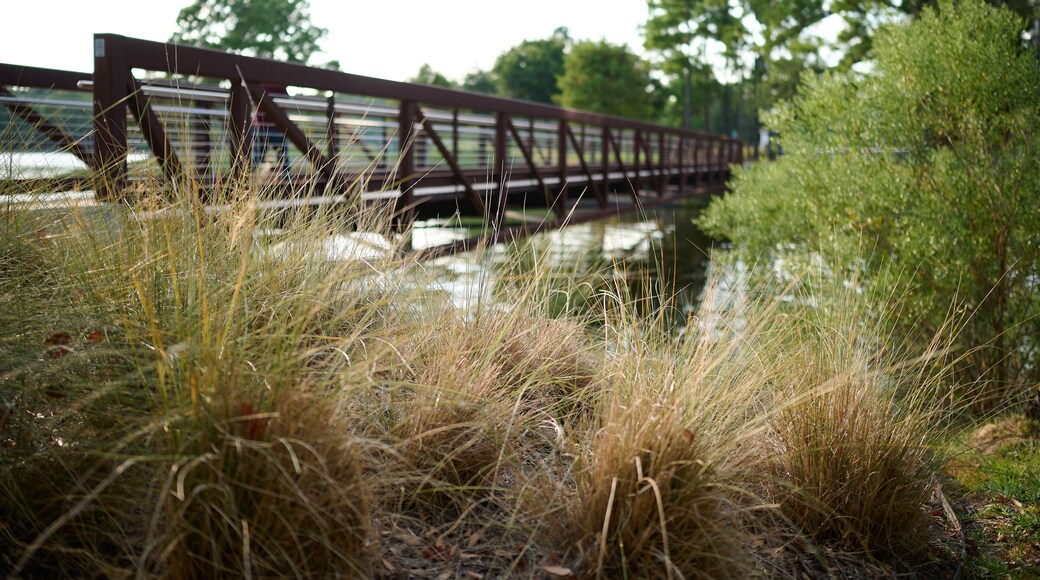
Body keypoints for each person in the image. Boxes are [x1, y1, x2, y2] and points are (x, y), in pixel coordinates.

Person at [251, 84, 290, 174]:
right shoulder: (280, 85)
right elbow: (286, 103)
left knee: (257, 156)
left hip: (261, 126)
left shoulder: (260, 84)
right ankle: (287, 179)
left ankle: (246, 178)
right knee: (283, 158)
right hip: (276, 127)